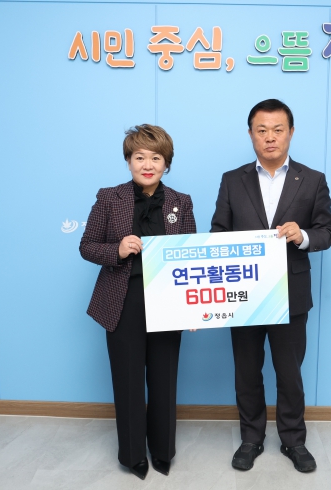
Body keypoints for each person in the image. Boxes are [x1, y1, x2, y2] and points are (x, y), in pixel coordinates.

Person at [210, 99, 331, 473]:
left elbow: (326, 232)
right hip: (244, 295)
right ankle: (251, 438)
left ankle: (294, 441)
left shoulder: (312, 180)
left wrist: (303, 235)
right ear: (250, 134)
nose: (270, 137)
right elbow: (218, 233)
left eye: (278, 129)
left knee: (289, 373)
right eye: (261, 130)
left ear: (291, 133)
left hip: (291, 295)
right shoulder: (232, 180)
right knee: (247, 372)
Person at [80, 124, 196, 480]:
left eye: (156, 158)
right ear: (129, 161)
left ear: (166, 163)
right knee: (128, 380)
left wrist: (192, 308)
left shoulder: (181, 202)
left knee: (164, 378)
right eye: (140, 157)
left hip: (168, 301)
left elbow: (191, 257)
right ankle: (132, 455)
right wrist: (116, 250)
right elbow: (87, 246)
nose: (148, 164)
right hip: (123, 299)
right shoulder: (109, 198)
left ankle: (163, 451)